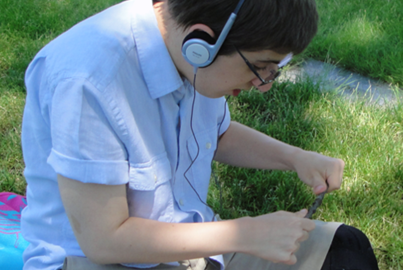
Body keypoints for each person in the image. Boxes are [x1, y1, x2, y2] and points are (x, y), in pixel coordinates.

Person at [20, 0, 379, 269]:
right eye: (260, 67)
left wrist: (296, 158)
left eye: (275, 70)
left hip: (189, 247)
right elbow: (104, 239)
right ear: (201, 41)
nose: (264, 85)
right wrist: (247, 235)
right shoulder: (88, 80)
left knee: (346, 250)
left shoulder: (188, 52)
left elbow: (217, 134)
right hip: (95, 261)